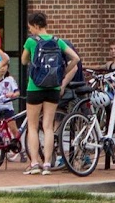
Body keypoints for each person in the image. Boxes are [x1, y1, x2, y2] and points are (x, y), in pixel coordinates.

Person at [21, 11, 78, 175]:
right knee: (48, 127)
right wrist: (62, 74)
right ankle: (47, 164)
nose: (30, 30)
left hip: (35, 87)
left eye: (30, 27)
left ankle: (34, 163)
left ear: (36, 26)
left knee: (32, 126)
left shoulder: (31, 42)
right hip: (53, 88)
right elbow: (75, 58)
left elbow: (24, 61)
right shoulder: (57, 41)